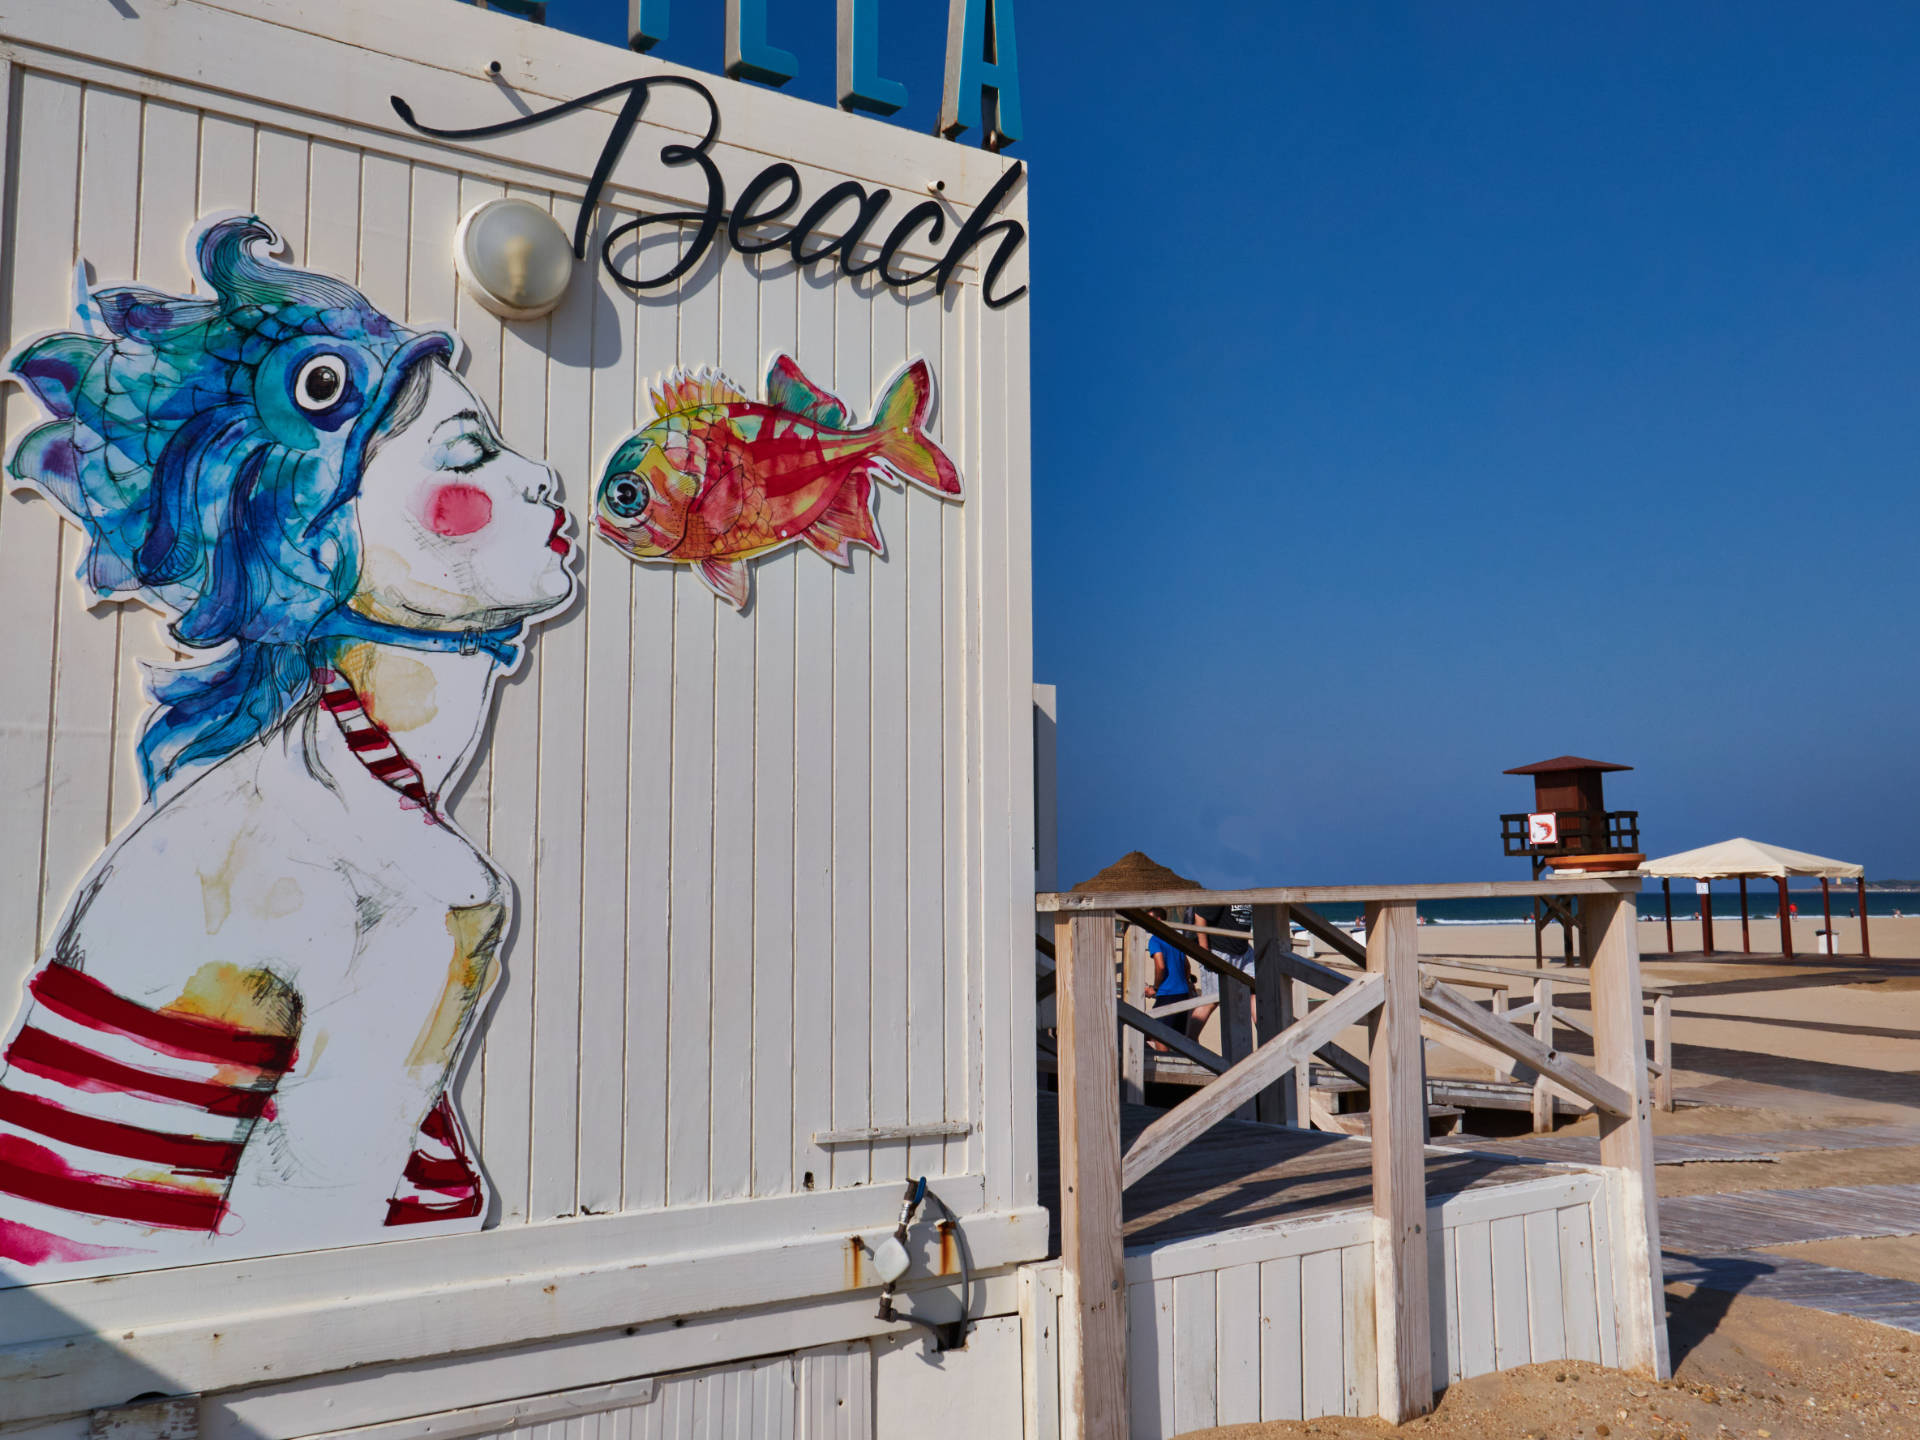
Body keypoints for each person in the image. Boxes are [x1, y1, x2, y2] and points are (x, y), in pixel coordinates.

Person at [0, 216, 575, 1280]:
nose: (540, 477)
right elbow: (303, 1304)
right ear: (319, 543)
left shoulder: (270, 796)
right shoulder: (404, 884)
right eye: (471, 456)